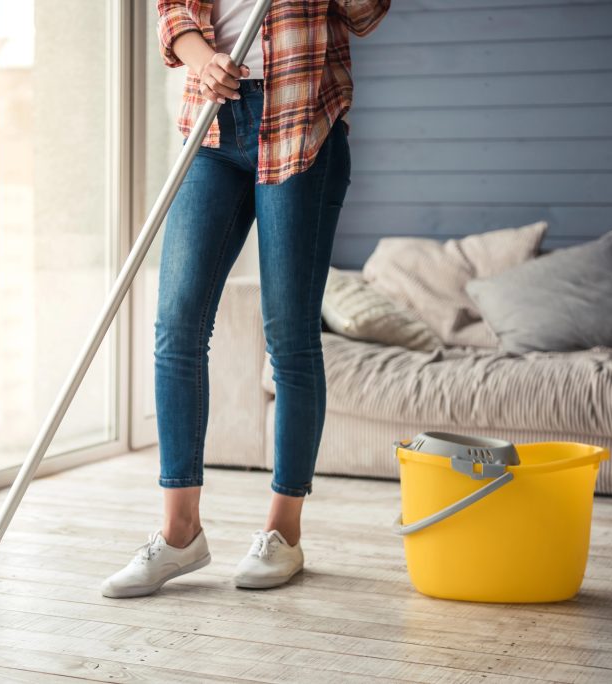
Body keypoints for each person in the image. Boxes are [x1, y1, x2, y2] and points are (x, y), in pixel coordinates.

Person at [102, 0, 391, 599]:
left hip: (301, 118)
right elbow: (173, 10)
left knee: (290, 335)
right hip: (213, 121)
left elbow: (367, 13)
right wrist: (202, 59)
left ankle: (283, 533)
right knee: (177, 327)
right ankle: (180, 533)